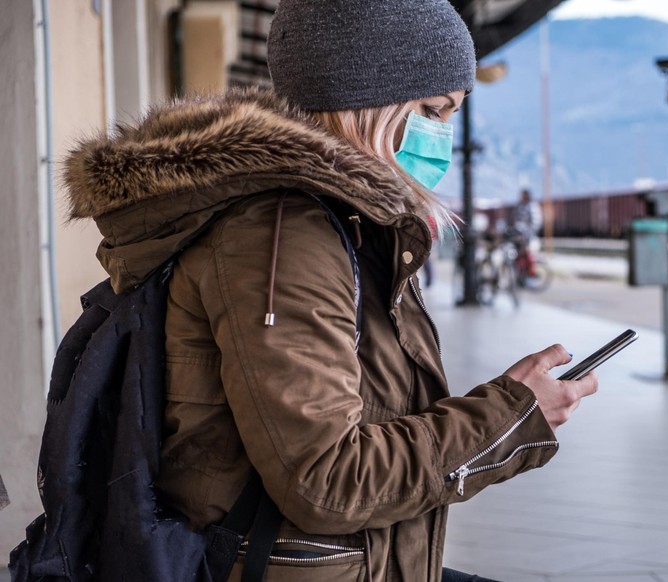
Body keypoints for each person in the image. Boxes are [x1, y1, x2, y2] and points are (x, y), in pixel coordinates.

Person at [61, 1, 598, 580]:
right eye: (434, 110)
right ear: (370, 101)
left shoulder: (344, 226)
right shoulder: (286, 236)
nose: (443, 133)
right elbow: (326, 480)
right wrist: (511, 418)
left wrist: (507, 406)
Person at [510, 189, 543, 277]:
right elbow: (516, 219)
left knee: (527, 254)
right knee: (517, 255)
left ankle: (529, 273)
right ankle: (520, 274)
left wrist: (528, 233)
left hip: (527, 236)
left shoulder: (532, 206)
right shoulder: (520, 206)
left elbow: (535, 223)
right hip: (519, 235)